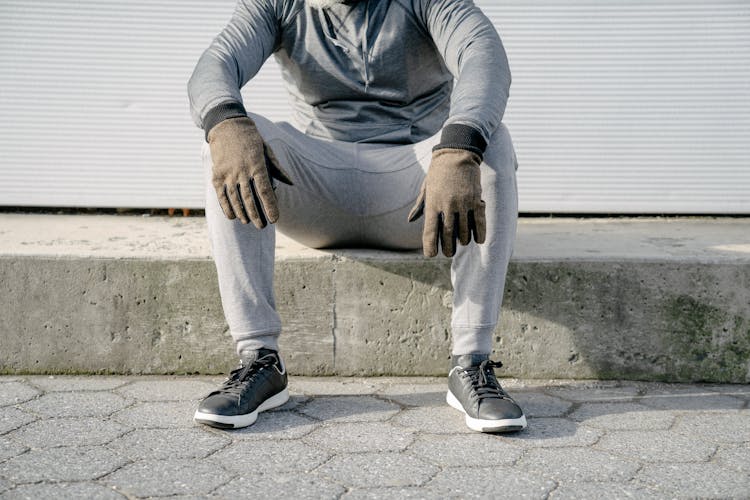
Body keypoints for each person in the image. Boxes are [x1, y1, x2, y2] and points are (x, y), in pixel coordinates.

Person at [188, 0, 526, 433]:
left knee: (491, 142)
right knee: (228, 138)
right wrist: (224, 121)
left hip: (417, 192)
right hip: (318, 190)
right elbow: (217, 62)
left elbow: (484, 54)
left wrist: (458, 145)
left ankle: (471, 364)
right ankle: (259, 360)